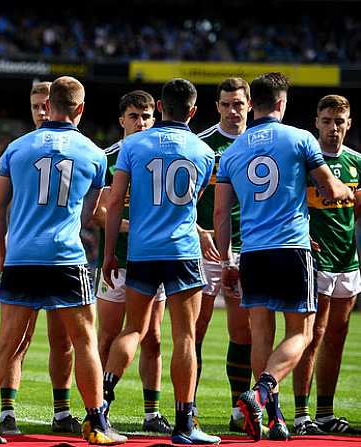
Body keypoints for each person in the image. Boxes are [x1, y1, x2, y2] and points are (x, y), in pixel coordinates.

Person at [0, 76, 125, 446]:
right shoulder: (93, 154)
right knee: (84, 341)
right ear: (80, 109)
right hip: (64, 257)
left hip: (21, 256)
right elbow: (89, 216)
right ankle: (97, 423)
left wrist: (5, 252)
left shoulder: (17, 148)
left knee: (7, 340)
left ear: (48, 104)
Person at [214, 72, 353, 442]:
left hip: (252, 253)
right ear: (281, 103)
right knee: (303, 333)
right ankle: (259, 394)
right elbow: (330, 186)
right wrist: (346, 191)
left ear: (252, 103)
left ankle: (273, 419)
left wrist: (228, 260)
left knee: (261, 335)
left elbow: (221, 214)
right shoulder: (300, 138)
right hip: (292, 247)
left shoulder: (233, 151)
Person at [102, 78, 220, 445]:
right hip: (183, 251)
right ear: (194, 111)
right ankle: (185, 424)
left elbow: (113, 203)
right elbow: (194, 199)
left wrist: (108, 253)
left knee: (133, 330)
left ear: (159, 106)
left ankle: (101, 407)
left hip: (142, 250)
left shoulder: (133, 145)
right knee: (184, 337)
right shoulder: (203, 152)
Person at [0, 81, 78, 436]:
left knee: (64, 341)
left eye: (46, 105)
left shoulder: (77, 149)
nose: (42, 112)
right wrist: (2, 252)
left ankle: (61, 412)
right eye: (35, 107)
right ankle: (7, 411)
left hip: (59, 256)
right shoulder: (20, 150)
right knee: (17, 338)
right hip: (28, 256)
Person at [93, 90, 172, 434]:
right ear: (121, 120)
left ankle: (152, 412)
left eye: (147, 117)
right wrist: (134, 225)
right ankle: (97, 406)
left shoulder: (160, 157)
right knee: (108, 335)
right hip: (116, 262)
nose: (141, 123)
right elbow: (97, 214)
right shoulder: (108, 157)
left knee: (153, 337)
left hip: (152, 260)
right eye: (134, 117)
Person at [291, 94, 361, 436]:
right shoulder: (305, 163)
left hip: (348, 261)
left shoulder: (356, 162)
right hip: (315, 261)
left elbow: (356, 212)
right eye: (327, 122)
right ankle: (302, 415)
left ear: (349, 125)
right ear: (316, 124)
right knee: (312, 336)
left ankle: (325, 412)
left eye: (340, 122)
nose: (334, 128)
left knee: (337, 337)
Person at [192, 78, 253, 431]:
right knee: (196, 328)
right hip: (207, 248)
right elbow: (183, 201)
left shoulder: (258, 144)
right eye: (227, 104)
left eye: (239, 104)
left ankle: (237, 410)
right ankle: (191, 406)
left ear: (249, 105)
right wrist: (199, 232)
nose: (233, 111)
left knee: (241, 330)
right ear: (217, 106)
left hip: (247, 247)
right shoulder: (201, 147)